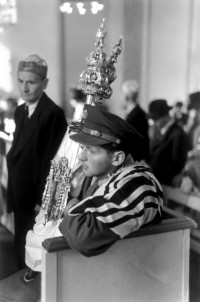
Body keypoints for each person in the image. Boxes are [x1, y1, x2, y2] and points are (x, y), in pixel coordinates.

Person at [0, 103, 163, 302]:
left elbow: (82, 234)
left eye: (92, 151)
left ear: (118, 157)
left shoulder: (138, 182)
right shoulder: (109, 173)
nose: (82, 156)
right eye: (83, 147)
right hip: (93, 275)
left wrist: (70, 207)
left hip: (121, 285)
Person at [6, 54, 67, 270]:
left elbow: (52, 161)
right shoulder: (21, 111)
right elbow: (17, 152)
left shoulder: (53, 114)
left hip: (36, 196)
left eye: (31, 82)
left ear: (44, 83)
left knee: (33, 249)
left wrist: (44, 199)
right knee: (19, 243)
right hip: (20, 190)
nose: (24, 87)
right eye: (20, 81)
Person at [148, 99, 189, 186]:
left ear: (165, 117)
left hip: (167, 185)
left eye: (155, 119)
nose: (154, 123)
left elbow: (177, 165)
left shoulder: (178, 133)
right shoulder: (158, 131)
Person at [121, 79, 149, 162]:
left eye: (121, 94)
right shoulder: (135, 112)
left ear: (126, 97)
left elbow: (134, 141)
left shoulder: (137, 114)